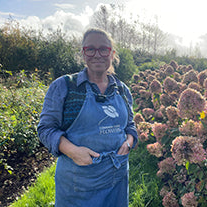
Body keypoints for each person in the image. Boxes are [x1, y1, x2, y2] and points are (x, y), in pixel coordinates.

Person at [37, 28, 138, 207]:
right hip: (79, 181)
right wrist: (73, 152)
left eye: (103, 49)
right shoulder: (65, 87)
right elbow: (46, 129)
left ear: (112, 54)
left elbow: (130, 126)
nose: (97, 55)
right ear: (83, 54)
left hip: (117, 179)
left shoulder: (122, 90)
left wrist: (129, 142)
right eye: (90, 49)